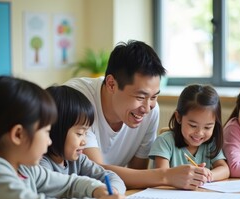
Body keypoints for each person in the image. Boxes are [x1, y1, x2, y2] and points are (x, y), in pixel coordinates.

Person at [64, 40, 202, 190]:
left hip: (115, 195)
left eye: (154, 97)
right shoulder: (77, 99)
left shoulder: (151, 112)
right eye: (140, 97)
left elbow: (138, 175)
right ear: (111, 84)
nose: (147, 108)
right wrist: (166, 176)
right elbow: (94, 172)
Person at [40, 85, 126, 194]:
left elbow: (111, 177)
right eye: (79, 133)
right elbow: (57, 191)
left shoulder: (79, 160)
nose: (84, 141)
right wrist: (95, 192)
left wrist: (113, 191)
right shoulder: (41, 164)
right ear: (55, 130)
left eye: (86, 133)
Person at [149, 84, 230, 189]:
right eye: (193, 125)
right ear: (179, 117)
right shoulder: (164, 142)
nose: (199, 133)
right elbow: (162, 175)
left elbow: (225, 169)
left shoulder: (210, 144)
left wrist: (207, 175)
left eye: (207, 127)